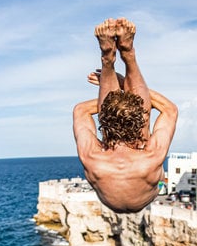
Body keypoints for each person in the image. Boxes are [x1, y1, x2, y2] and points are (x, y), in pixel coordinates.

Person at [73, 18, 178, 213]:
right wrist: (121, 83)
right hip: (144, 188)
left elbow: (81, 110)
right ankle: (128, 54)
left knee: (120, 109)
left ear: (102, 120)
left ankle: (107, 60)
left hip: (107, 188)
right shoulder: (151, 156)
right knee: (127, 111)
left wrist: (116, 93)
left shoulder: (91, 156)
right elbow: (169, 109)